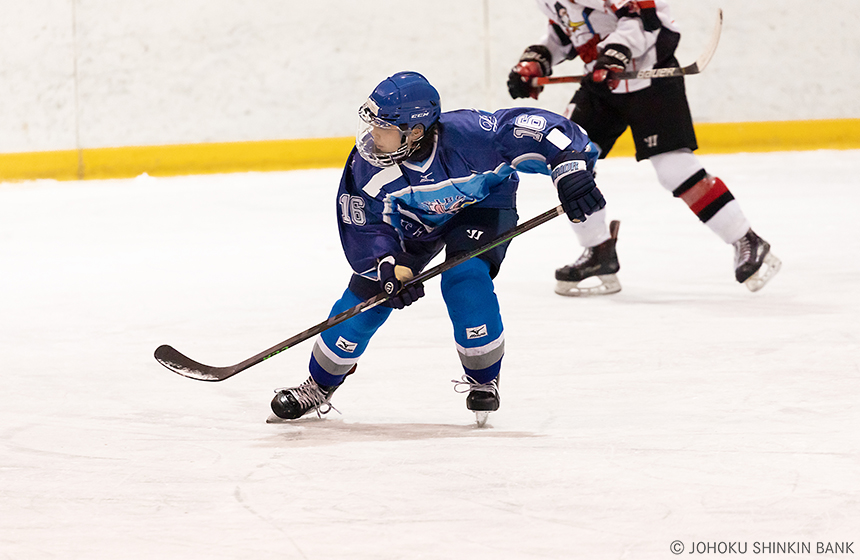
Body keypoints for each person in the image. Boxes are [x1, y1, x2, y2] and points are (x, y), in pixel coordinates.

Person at [271, 71, 603, 423]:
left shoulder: (473, 137)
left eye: (382, 126)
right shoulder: (367, 165)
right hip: (411, 223)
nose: (372, 135)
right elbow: (366, 224)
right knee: (368, 300)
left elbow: (540, 128)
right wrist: (387, 267)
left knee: (465, 279)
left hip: (483, 207)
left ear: (415, 131)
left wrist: (570, 169)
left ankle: (483, 380)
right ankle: (318, 386)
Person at [507, 0, 781, 296]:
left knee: (674, 169)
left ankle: (746, 239)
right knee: (569, 162)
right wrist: (538, 59)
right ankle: (598, 251)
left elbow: (646, 18)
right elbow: (568, 31)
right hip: (603, 85)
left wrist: (615, 54)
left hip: (651, 77)